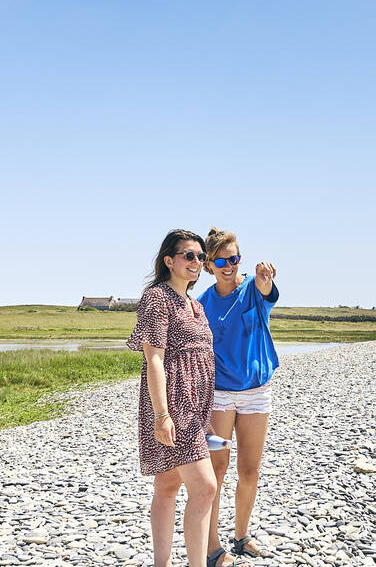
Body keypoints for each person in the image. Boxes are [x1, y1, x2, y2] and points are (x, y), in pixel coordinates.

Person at [128, 229, 247, 567]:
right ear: (169, 260)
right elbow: (154, 358)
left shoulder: (194, 303)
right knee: (206, 487)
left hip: (195, 410)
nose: (196, 262)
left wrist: (204, 414)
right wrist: (161, 415)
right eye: (188, 256)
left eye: (199, 256)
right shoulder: (157, 298)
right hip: (173, 407)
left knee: (168, 485)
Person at [197, 227, 281, 559]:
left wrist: (265, 279)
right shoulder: (202, 303)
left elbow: (266, 289)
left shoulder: (252, 288)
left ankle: (242, 535)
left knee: (249, 469)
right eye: (222, 261)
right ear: (209, 265)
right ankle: (212, 545)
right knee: (216, 471)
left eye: (234, 259)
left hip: (256, 394)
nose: (229, 266)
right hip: (218, 396)